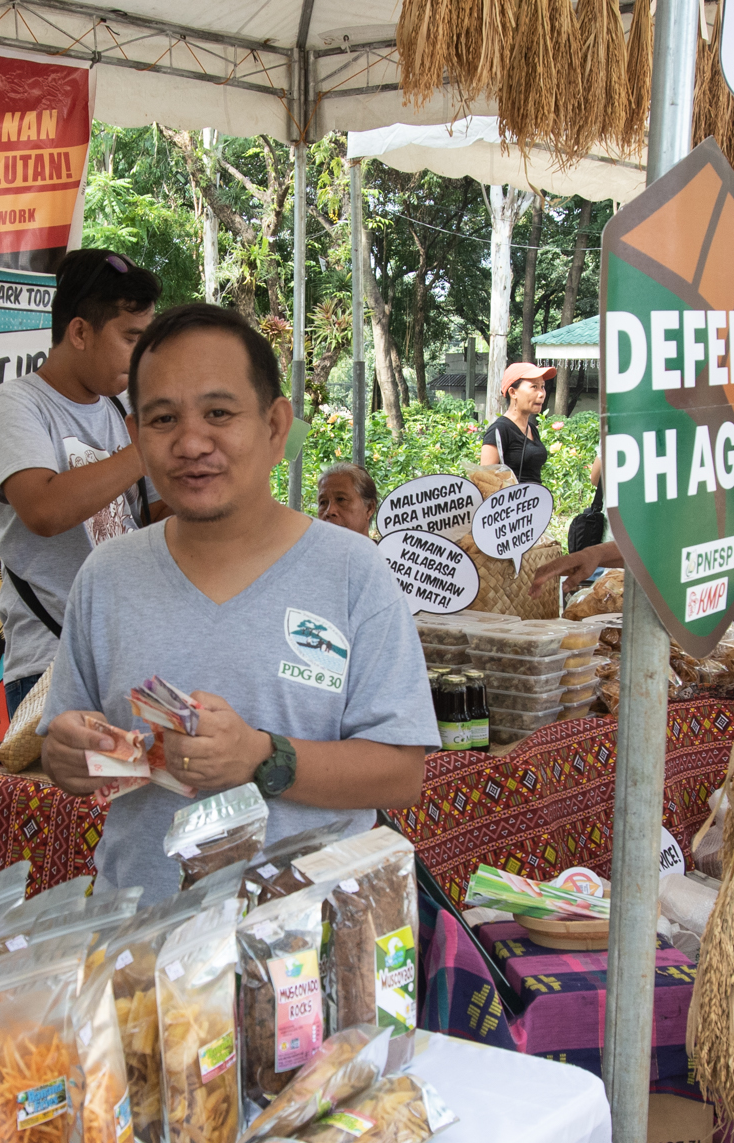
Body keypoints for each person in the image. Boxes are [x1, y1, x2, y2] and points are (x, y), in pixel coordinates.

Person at [39, 304, 438, 902]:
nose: (192, 442)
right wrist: (69, 755)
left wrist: (260, 755)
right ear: (136, 437)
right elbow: (62, 747)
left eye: (219, 414)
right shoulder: (107, 575)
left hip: (310, 946)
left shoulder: (355, 573)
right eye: (163, 418)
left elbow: (402, 773)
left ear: (276, 426)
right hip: (146, 940)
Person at [0, 248, 162, 718]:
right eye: (131, 338)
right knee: (63, 795)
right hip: (50, 663)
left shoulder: (125, 412)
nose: (142, 356)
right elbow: (44, 510)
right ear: (80, 332)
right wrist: (147, 450)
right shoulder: (16, 407)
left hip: (130, 658)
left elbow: (158, 517)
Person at [480, 361, 553, 484]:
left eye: (542, 387)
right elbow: (485, 482)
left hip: (535, 501)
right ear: (513, 392)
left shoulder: (531, 429)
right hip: (512, 502)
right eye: (534, 387)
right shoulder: (499, 430)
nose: (541, 394)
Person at [314, 460, 380, 535]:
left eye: (340, 499)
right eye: (323, 502)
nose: (329, 511)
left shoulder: (385, 546)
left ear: (369, 508)